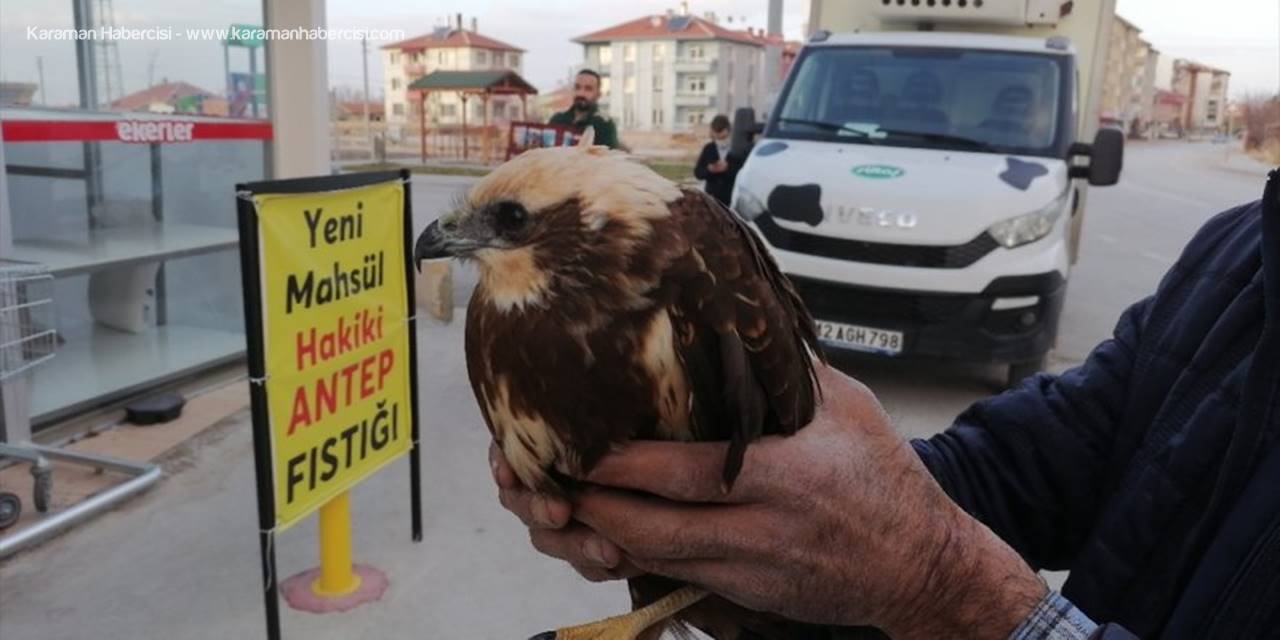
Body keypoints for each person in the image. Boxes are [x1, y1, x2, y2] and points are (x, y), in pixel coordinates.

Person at [492, 169, 1280, 638]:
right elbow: (1032, 464)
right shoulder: (1244, 251)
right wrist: (804, 504)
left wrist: (944, 587)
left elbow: (937, 564)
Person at [549, 69, 621, 150]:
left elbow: (609, 160)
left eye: (588, 89)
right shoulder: (557, 119)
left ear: (598, 95)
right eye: (577, 87)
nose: (581, 93)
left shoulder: (604, 124)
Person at [693, 115, 744, 206]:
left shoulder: (738, 149)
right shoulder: (709, 148)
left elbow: (744, 174)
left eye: (722, 137)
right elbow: (698, 173)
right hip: (712, 199)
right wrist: (709, 170)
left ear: (728, 130)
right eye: (716, 137)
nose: (719, 139)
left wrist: (727, 169)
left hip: (732, 198)